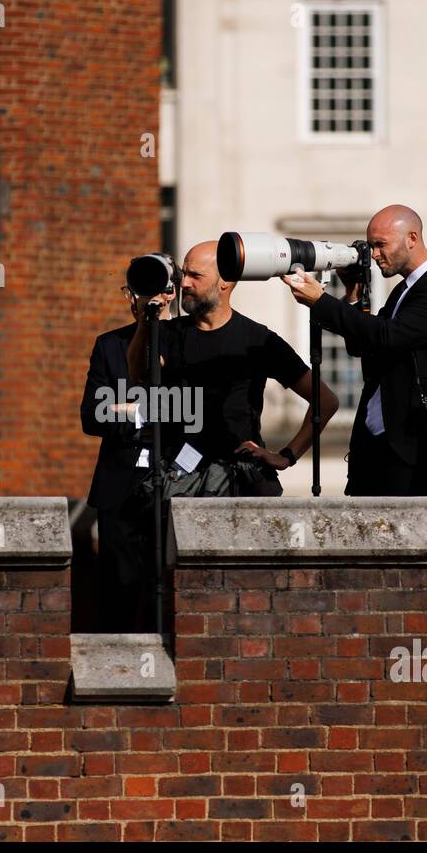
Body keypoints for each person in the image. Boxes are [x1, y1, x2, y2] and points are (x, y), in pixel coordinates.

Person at [280, 203, 427, 627]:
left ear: (412, 238)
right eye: (370, 246)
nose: (376, 254)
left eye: (380, 245)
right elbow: (366, 347)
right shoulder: (405, 290)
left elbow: (388, 336)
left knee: (425, 541)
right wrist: (352, 296)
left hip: (416, 443)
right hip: (383, 445)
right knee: (371, 539)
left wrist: (321, 302)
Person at [126, 240, 338, 495]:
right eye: (184, 274)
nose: (184, 284)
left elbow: (325, 401)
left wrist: (287, 455)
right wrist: (144, 324)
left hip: (241, 482)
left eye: (195, 276)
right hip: (181, 481)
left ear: (224, 281)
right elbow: (138, 374)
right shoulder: (168, 333)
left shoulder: (258, 340)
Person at [80, 285, 160, 629]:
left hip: (178, 481)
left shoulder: (192, 340)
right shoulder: (109, 345)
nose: (138, 299)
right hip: (119, 487)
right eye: (133, 289)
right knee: (118, 591)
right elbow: (92, 416)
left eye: (152, 287)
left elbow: (197, 411)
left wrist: (127, 408)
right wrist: (147, 410)